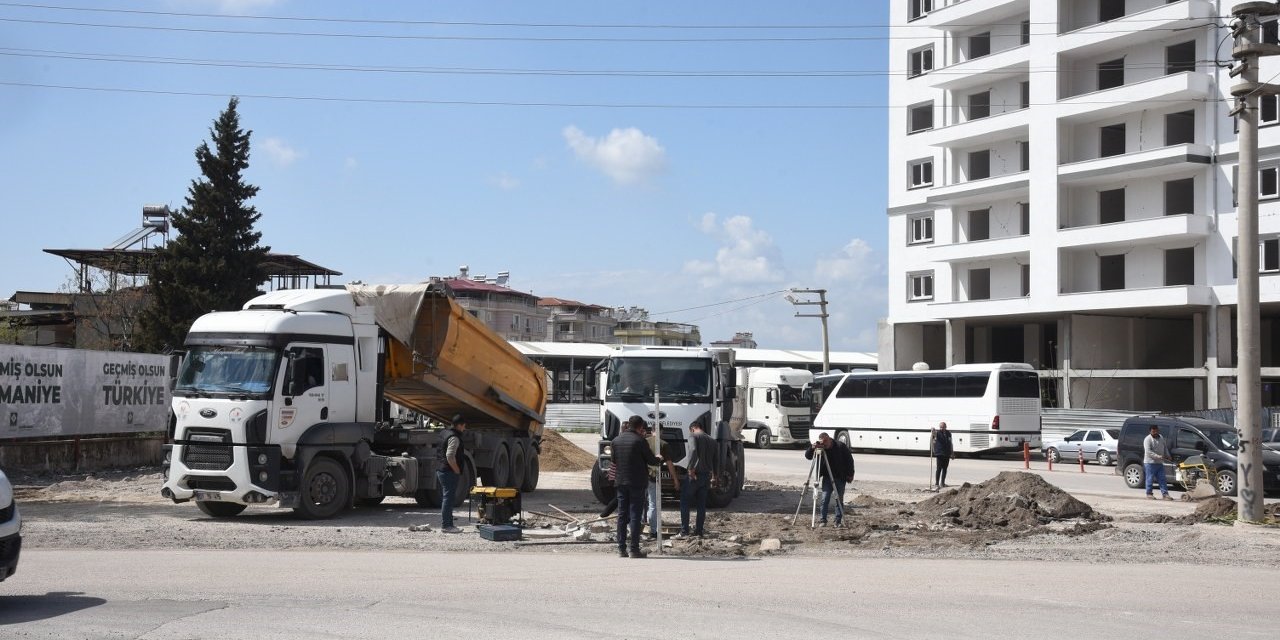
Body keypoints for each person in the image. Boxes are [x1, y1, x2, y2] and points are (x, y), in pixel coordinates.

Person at [611, 415, 663, 558]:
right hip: (637, 483)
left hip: (621, 482)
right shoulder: (640, 441)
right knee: (635, 515)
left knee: (622, 515)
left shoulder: (615, 441)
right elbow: (651, 460)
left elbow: (614, 460)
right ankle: (634, 549)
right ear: (640, 427)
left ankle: (621, 548)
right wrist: (659, 458)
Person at [678, 420, 718, 538]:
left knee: (685, 501)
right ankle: (699, 531)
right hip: (706, 476)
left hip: (694, 475)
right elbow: (716, 459)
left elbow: (693, 450)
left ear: (692, 428)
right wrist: (715, 475)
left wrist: (690, 468)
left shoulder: (693, 436)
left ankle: (685, 531)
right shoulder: (712, 440)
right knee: (701, 504)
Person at [805, 432, 854, 527]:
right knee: (824, 498)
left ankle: (838, 521)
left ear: (829, 439)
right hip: (827, 478)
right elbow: (808, 456)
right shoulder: (821, 448)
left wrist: (850, 474)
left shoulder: (840, 446)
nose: (825, 445)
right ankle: (823, 520)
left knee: (839, 499)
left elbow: (849, 460)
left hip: (840, 477)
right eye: (822, 442)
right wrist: (812, 448)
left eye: (826, 442)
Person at [643, 423, 680, 540]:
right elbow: (669, 464)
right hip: (654, 477)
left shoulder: (644, 442)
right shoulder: (664, 444)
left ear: (651, 430)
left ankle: (636, 530)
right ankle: (653, 531)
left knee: (638, 503)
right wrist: (675, 479)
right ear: (662, 432)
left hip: (641, 477)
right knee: (653, 505)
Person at [436, 414, 468, 533]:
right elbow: (450, 456)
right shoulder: (454, 437)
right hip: (448, 471)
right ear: (459, 425)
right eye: (464, 426)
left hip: (441, 469)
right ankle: (447, 526)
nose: (464, 429)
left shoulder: (444, 433)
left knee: (448, 498)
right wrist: (457, 470)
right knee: (448, 498)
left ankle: (448, 522)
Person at [1143, 424, 1173, 500]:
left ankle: (1165, 494)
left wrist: (1168, 455)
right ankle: (1149, 494)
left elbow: (1165, 447)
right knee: (1150, 478)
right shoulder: (1147, 439)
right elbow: (1148, 452)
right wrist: (1158, 456)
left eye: (1156, 431)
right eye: (1153, 431)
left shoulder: (1161, 437)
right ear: (1150, 431)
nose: (1155, 432)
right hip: (1150, 463)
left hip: (1159, 463)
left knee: (1162, 479)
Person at [932, 421, 955, 489]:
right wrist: (933, 430)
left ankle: (942, 483)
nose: (941, 428)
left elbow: (950, 443)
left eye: (943, 427)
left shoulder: (948, 433)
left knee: (945, 469)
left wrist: (952, 453)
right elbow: (934, 435)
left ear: (946, 427)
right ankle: (937, 483)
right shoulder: (937, 433)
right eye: (940, 427)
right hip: (940, 453)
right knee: (939, 469)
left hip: (947, 453)